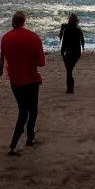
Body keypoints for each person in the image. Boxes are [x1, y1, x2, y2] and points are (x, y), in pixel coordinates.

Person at [0, 11, 46, 156]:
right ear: (24, 22)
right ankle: (23, 140)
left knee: (23, 110)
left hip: (15, 81)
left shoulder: (5, 38)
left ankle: (25, 139)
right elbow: (41, 63)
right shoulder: (33, 37)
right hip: (31, 80)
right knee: (31, 111)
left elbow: (1, 61)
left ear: (13, 22)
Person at [59, 14, 85, 94]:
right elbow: (82, 42)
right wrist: (82, 50)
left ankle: (70, 88)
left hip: (66, 52)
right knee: (69, 70)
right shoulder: (78, 30)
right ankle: (70, 87)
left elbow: (60, 37)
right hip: (76, 53)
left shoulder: (64, 27)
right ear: (76, 21)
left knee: (68, 70)